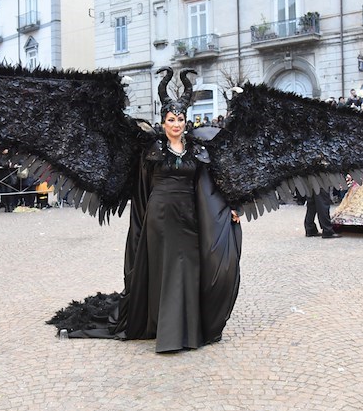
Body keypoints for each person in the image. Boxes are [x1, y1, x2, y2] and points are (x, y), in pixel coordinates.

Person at [48, 70, 242, 353]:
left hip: (189, 218)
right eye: (171, 120)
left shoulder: (198, 150)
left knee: (188, 267)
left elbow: (212, 184)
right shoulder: (151, 149)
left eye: (180, 119)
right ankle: (166, 330)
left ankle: (188, 330)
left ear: (186, 122)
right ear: (163, 122)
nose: (176, 124)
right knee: (165, 269)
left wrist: (230, 208)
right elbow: (141, 188)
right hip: (159, 217)